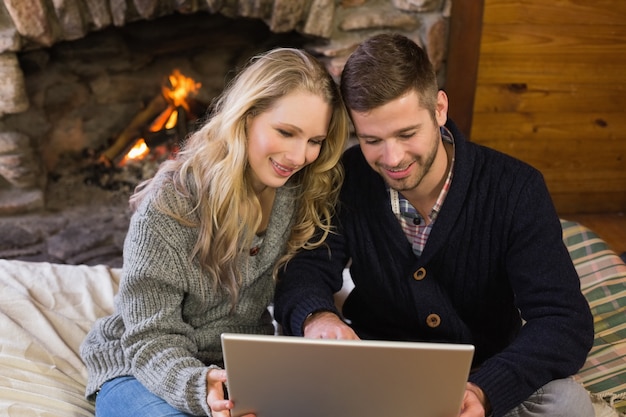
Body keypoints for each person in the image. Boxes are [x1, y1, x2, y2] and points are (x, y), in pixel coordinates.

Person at [273, 33, 595, 417]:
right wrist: (317, 316)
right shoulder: (348, 178)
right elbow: (305, 270)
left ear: (439, 109)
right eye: (372, 139)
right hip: (376, 372)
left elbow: (563, 320)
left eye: (407, 134)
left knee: (569, 405)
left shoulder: (516, 188)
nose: (392, 158)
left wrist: (485, 391)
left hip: (484, 374)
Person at [80, 47, 349, 417]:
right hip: (144, 369)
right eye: (286, 132)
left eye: (314, 141)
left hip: (241, 375)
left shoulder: (299, 194)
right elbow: (148, 335)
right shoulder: (171, 205)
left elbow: (306, 279)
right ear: (246, 117)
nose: (299, 156)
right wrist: (199, 387)